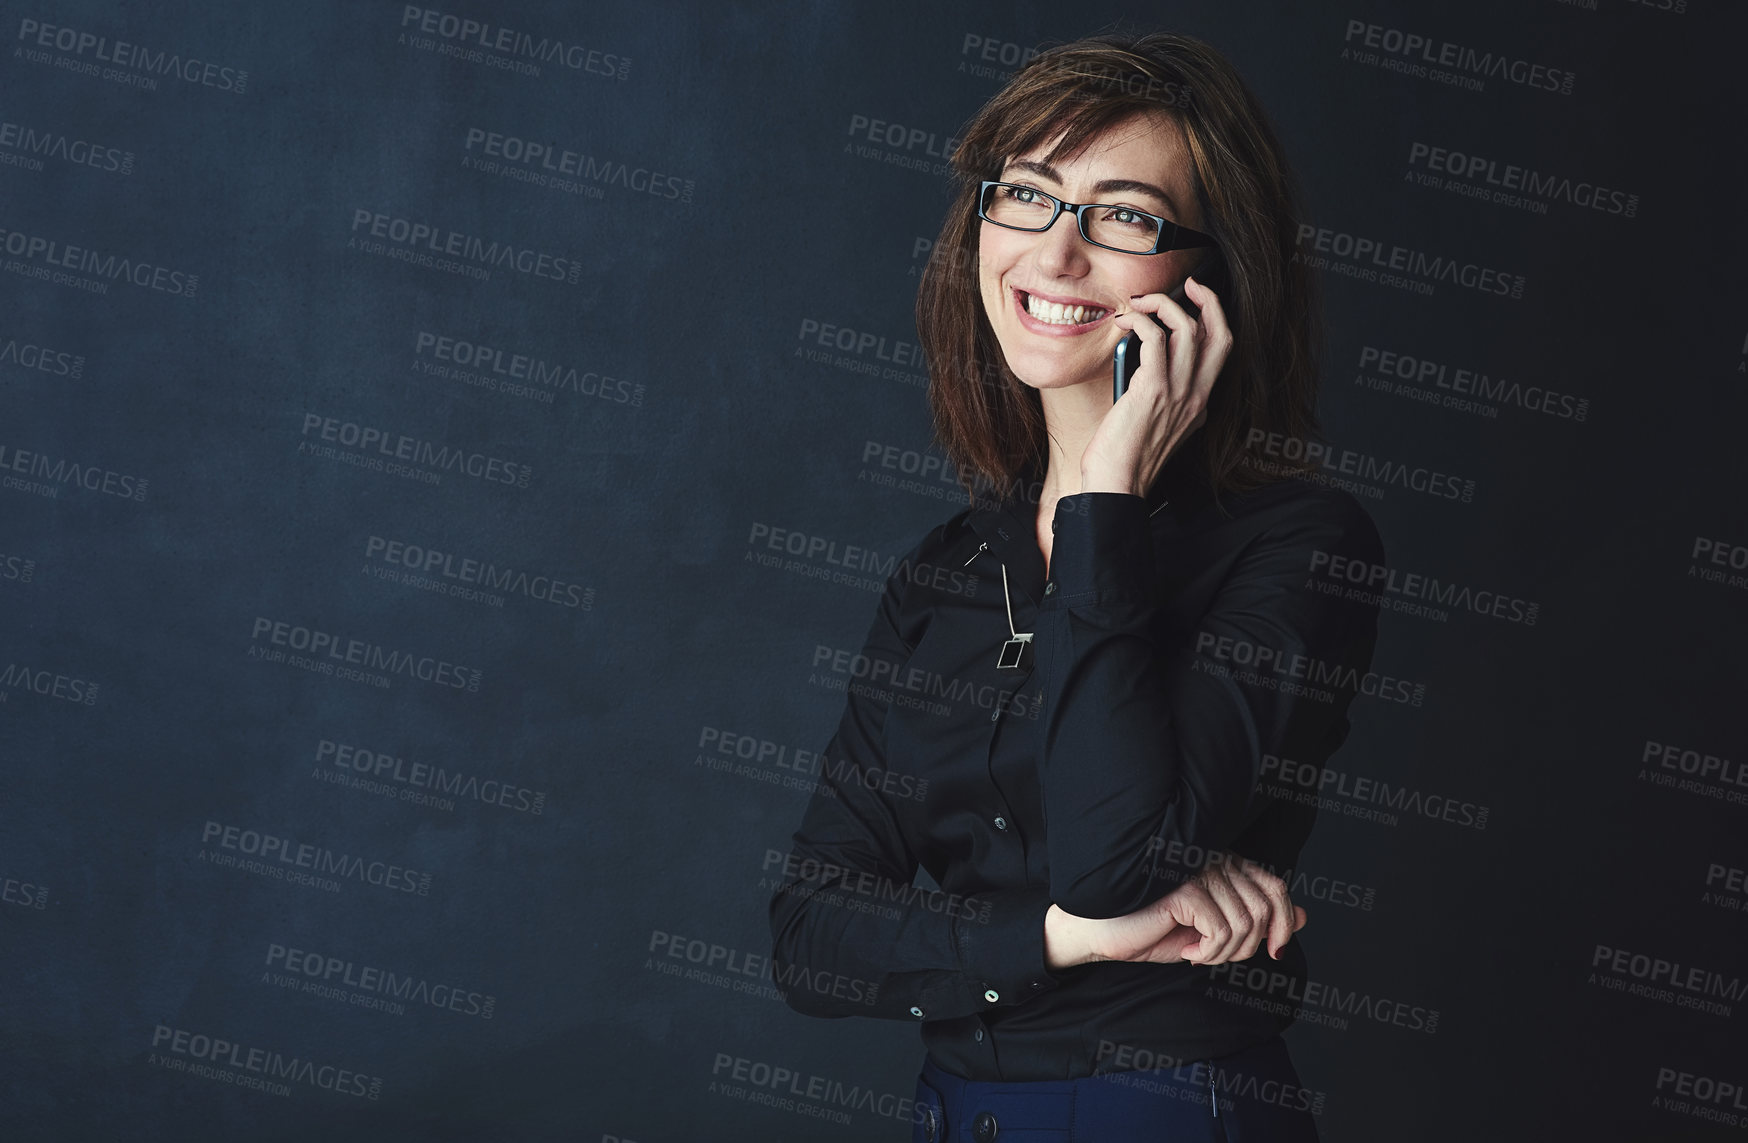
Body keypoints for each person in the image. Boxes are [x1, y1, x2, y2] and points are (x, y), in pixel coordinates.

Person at [768, 30, 1385, 1142]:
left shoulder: (1297, 544)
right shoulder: (946, 570)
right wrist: (1057, 939)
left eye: (1123, 216)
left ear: (1207, 272)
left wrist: (1103, 498)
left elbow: (1116, 862)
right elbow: (809, 937)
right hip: (955, 1114)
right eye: (1028, 197)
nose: (1053, 259)